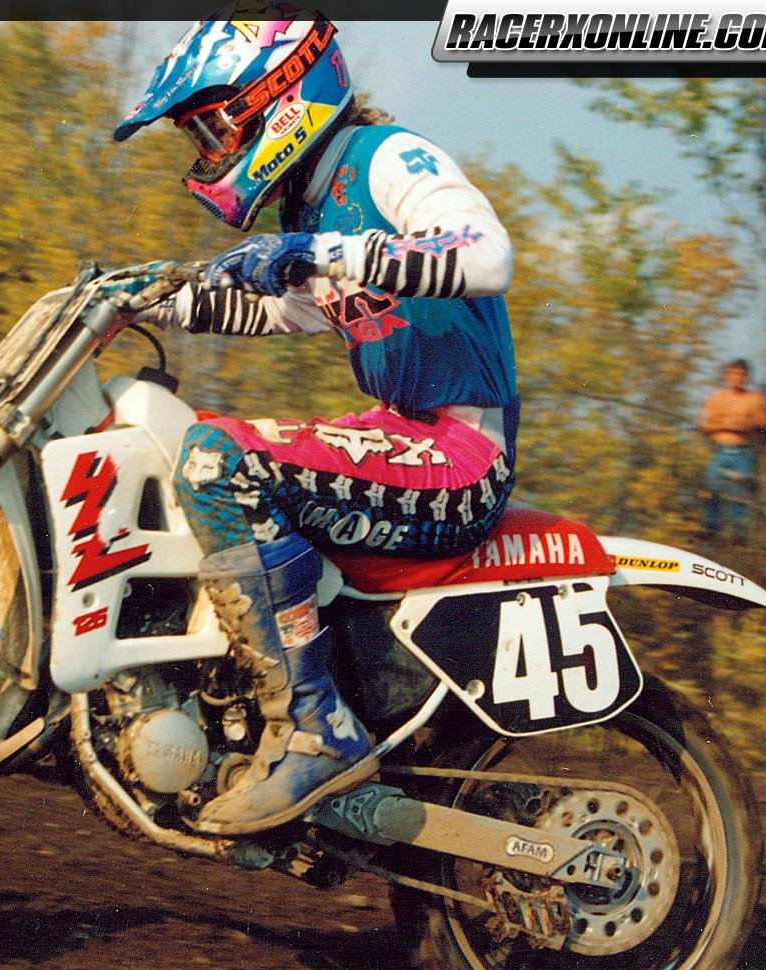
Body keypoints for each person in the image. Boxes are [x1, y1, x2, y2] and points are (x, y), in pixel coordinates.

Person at [111, 8, 518, 831]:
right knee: (196, 445)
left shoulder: (386, 158)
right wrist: (145, 294)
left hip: (461, 456)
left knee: (216, 457)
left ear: (281, 95)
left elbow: (487, 254)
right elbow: (281, 311)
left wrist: (329, 254)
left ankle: (316, 728)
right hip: (404, 438)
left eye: (213, 128)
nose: (211, 153)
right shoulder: (313, 211)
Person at [697, 358, 766, 542]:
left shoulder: (755, 399)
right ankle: (710, 528)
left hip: (743, 451)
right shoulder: (716, 398)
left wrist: (747, 423)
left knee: (740, 494)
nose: (737, 378)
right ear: (726, 375)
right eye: (733, 373)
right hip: (720, 450)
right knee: (712, 486)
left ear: (747, 378)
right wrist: (726, 423)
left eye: (741, 374)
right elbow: (705, 425)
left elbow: (764, 424)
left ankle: (739, 533)